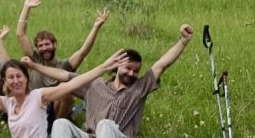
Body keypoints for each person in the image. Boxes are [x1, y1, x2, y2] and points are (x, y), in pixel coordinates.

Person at [0, 41, 129, 138]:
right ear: (5, 82)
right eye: (11, 77)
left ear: (26, 80)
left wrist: (103, 67)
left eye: (19, 76)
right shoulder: (6, 103)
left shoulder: (39, 97)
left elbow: (72, 84)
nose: (16, 81)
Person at [39, 24, 194, 138]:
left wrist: (183, 41)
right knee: (61, 124)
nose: (132, 73)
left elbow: (162, 65)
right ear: (118, 66)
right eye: (128, 68)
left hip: (119, 136)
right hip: (91, 135)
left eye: (136, 71)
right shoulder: (95, 84)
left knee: (105, 124)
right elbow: (64, 75)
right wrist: (33, 66)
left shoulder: (139, 87)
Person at [16, 0, 110, 120]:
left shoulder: (65, 65)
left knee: (65, 90)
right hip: (36, 109)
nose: (44, 48)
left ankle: (56, 130)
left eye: (47, 44)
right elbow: (20, 34)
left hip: (56, 111)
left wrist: (96, 27)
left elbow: (83, 52)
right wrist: (26, 7)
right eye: (41, 46)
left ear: (54, 45)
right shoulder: (34, 60)